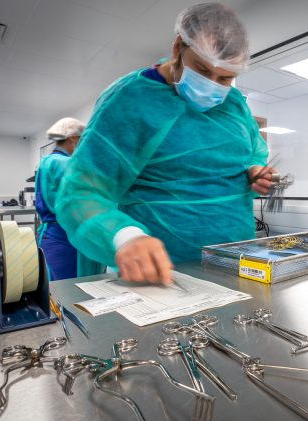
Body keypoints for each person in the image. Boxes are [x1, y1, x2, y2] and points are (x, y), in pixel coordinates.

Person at [56, 3, 274, 285]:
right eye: (203, 70)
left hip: (234, 259)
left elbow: (252, 152)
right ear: (177, 48)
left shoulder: (233, 105)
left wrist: (254, 170)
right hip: (158, 271)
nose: (213, 85)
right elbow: (82, 191)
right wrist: (126, 237)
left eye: (225, 78)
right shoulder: (131, 100)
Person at [34, 117, 85, 280]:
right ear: (72, 138)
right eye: (81, 139)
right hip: (64, 235)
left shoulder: (47, 161)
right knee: (70, 288)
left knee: (55, 287)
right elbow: (77, 202)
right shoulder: (65, 163)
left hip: (51, 234)